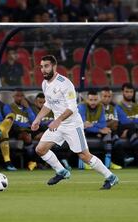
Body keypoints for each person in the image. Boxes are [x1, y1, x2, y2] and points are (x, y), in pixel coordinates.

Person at [31, 55, 118, 189]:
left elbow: (72, 107)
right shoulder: (44, 84)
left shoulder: (65, 83)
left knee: (84, 156)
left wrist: (58, 120)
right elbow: (48, 103)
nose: (43, 69)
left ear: (54, 66)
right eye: (41, 67)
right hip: (58, 124)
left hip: (72, 125)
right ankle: (62, 171)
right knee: (40, 149)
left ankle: (111, 177)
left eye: (46, 66)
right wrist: (38, 119)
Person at [78, 90, 122, 170]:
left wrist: (92, 125)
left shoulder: (100, 107)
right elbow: (82, 125)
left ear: (98, 99)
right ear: (87, 100)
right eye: (91, 100)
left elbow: (103, 124)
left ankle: (107, 162)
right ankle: (83, 162)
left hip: (94, 130)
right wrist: (98, 130)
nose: (93, 102)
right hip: (85, 131)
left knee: (108, 133)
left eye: (95, 100)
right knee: (81, 133)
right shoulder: (81, 107)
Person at [3, 89, 37, 170]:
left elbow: (34, 121)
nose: (20, 98)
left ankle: (38, 162)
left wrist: (28, 108)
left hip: (29, 130)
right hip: (16, 131)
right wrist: (23, 127)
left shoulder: (28, 108)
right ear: (13, 97)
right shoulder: (8, 107)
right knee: (26, 136)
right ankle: (32, 162)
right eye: (17, 96)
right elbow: (10, 121)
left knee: (42, 136)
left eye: (22, 96)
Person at [100, 87, 134, 167]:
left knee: (130, 126)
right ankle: (123, 159)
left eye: (109, 97)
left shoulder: (112, 107)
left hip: (112, 130)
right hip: (100, 131)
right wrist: (106, 124)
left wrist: (107, 123)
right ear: (100, 97)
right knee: (115, 137)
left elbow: (115, 123)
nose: (107, 99)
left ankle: (122, 159)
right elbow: (98, 123)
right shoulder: (97, 107)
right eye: (105, 96)